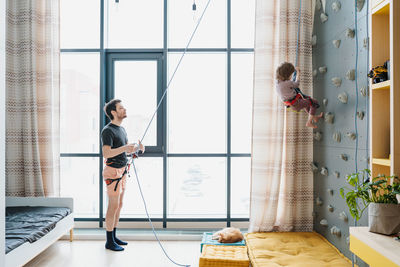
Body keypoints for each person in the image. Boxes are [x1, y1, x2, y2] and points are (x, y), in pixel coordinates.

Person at [101, 99, 145, 251]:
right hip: (113, 172)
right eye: (121, 108)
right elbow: (106, 153)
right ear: (113, 112)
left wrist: (136, 148)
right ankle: (109, 241)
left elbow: (124, 150)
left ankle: (113, 236)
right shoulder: (107, 130)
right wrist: (125, 147)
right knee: (113, 206)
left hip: (123, 171)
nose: (124, 110)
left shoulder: (122, 129)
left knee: (119, 205)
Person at [275, 62, 323, 128]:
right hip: (296, 103)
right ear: (287, 75)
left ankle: (314, 118)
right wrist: (298, 72)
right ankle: (309, 122)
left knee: (307, 104)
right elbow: (296, 84)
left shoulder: (277, 82)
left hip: (293, 103)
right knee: (314, 102)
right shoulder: (287, 83)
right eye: (291, 75)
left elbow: (287, 87)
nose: (291, 76)